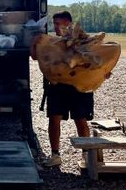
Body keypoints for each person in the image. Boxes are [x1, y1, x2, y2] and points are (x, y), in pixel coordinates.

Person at [30, 11, 93, 167]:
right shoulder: (51, 42)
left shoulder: (83, 40)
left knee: (81, 120)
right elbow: (35, 57)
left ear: (68, 24)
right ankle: (55, 155)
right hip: (57, 87)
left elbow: (95, 61)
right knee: (54, 119)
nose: (55, 27)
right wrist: (34, 43)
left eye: (58, 23)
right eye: (55, 24)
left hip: (77, 87)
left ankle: (86, 155)